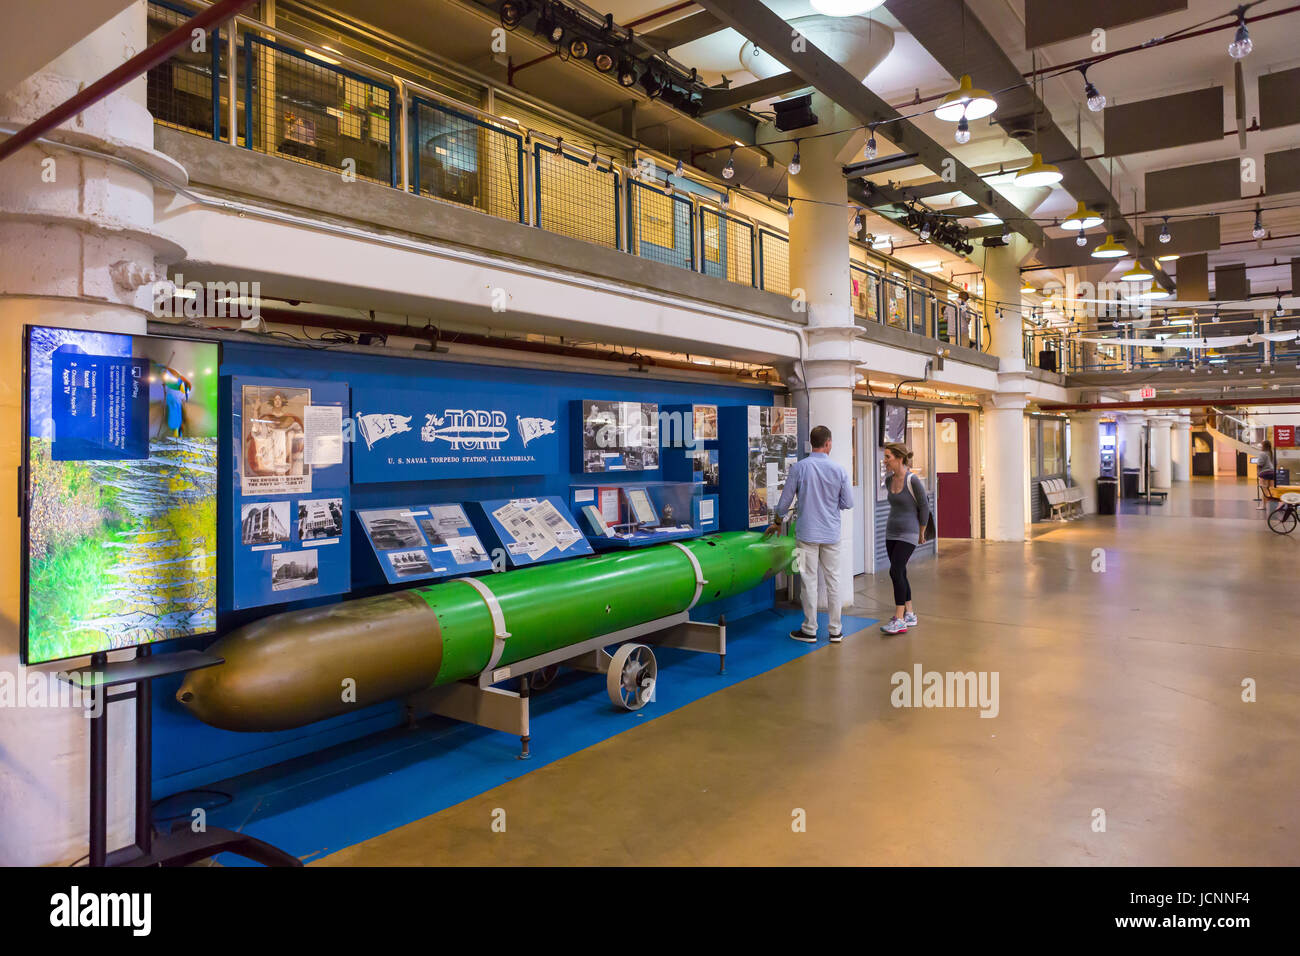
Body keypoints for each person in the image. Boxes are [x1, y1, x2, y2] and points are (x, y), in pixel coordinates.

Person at [765, 425, 853, 644]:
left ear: (811, 443)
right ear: (828, 443)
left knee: (808, 581)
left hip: (806, 535)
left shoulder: (800, 468)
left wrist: (777, 523)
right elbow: (848, 502)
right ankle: (835, 631)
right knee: (833, 581)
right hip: (831, 535)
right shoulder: (839, 470)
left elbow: (784, 502)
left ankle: (810, 629)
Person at [879, 442, 930, 635]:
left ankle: (899, 619)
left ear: (899, 458)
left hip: (909, 532)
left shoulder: (913, 480)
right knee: (900, 572)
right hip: (891, 532)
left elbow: (924, 506)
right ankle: (910, 613)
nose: (885, 461)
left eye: (888, 457)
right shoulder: (890, 480)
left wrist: (922, 531)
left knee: (895, 571)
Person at [1256, 439, 1276, 510]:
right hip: (1272, 473)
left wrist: (1258, 473)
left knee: (1265, 491)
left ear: (1263, 445)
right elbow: (1276, 463)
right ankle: (1273, 506)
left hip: (1264, 473)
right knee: (1271, 490)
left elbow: (1260, 464)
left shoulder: (1262, 453)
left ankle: (1263, 506)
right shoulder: (1272, 453)